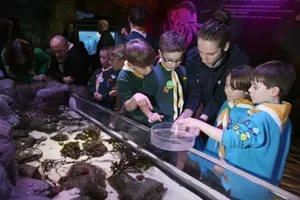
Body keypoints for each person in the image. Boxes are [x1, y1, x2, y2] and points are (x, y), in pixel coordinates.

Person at [178, 61, 296, 200]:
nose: (250, 90)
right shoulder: (283, 116)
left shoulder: (261, 119)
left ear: (274, 91)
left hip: (246, 185)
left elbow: (231, 138)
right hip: (263, 183)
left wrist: (196, 123)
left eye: (255, 87)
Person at [178, 8, 249, 127]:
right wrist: (185, 116)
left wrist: (201, 120)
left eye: (211, 54)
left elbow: (221, 96)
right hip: (204, 112)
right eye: (201, 51)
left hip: (229, 116)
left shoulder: (238, 61)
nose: (204, 59)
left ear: (225, 46)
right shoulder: (192, 58)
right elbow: (194, 92)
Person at [188, 65, 254, 190]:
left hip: (225, 166)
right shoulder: (226, 103)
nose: (228, 91)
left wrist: (228, 164)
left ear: (247, 90)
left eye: (234, 88)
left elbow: (242, 146)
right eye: (227, 85)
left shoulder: (248, 114)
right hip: (211, 157)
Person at [141, 30, 188, 123]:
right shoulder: (152, 74)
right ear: (160, 53)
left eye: (178, 60)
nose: (174, 65)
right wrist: (150, 114)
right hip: (160, 123)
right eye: (170, 60)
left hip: (180, 124)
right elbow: (143, 100)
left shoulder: (183, 71)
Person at [117, 38, 156, 126]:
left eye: (151, 64)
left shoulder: (147, 62)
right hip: (137, 121)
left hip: (156, 115)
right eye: (143, 67)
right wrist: (135, 98)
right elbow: (127, 106)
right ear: (131, 65)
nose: (149, 70)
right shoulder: (123, 77)